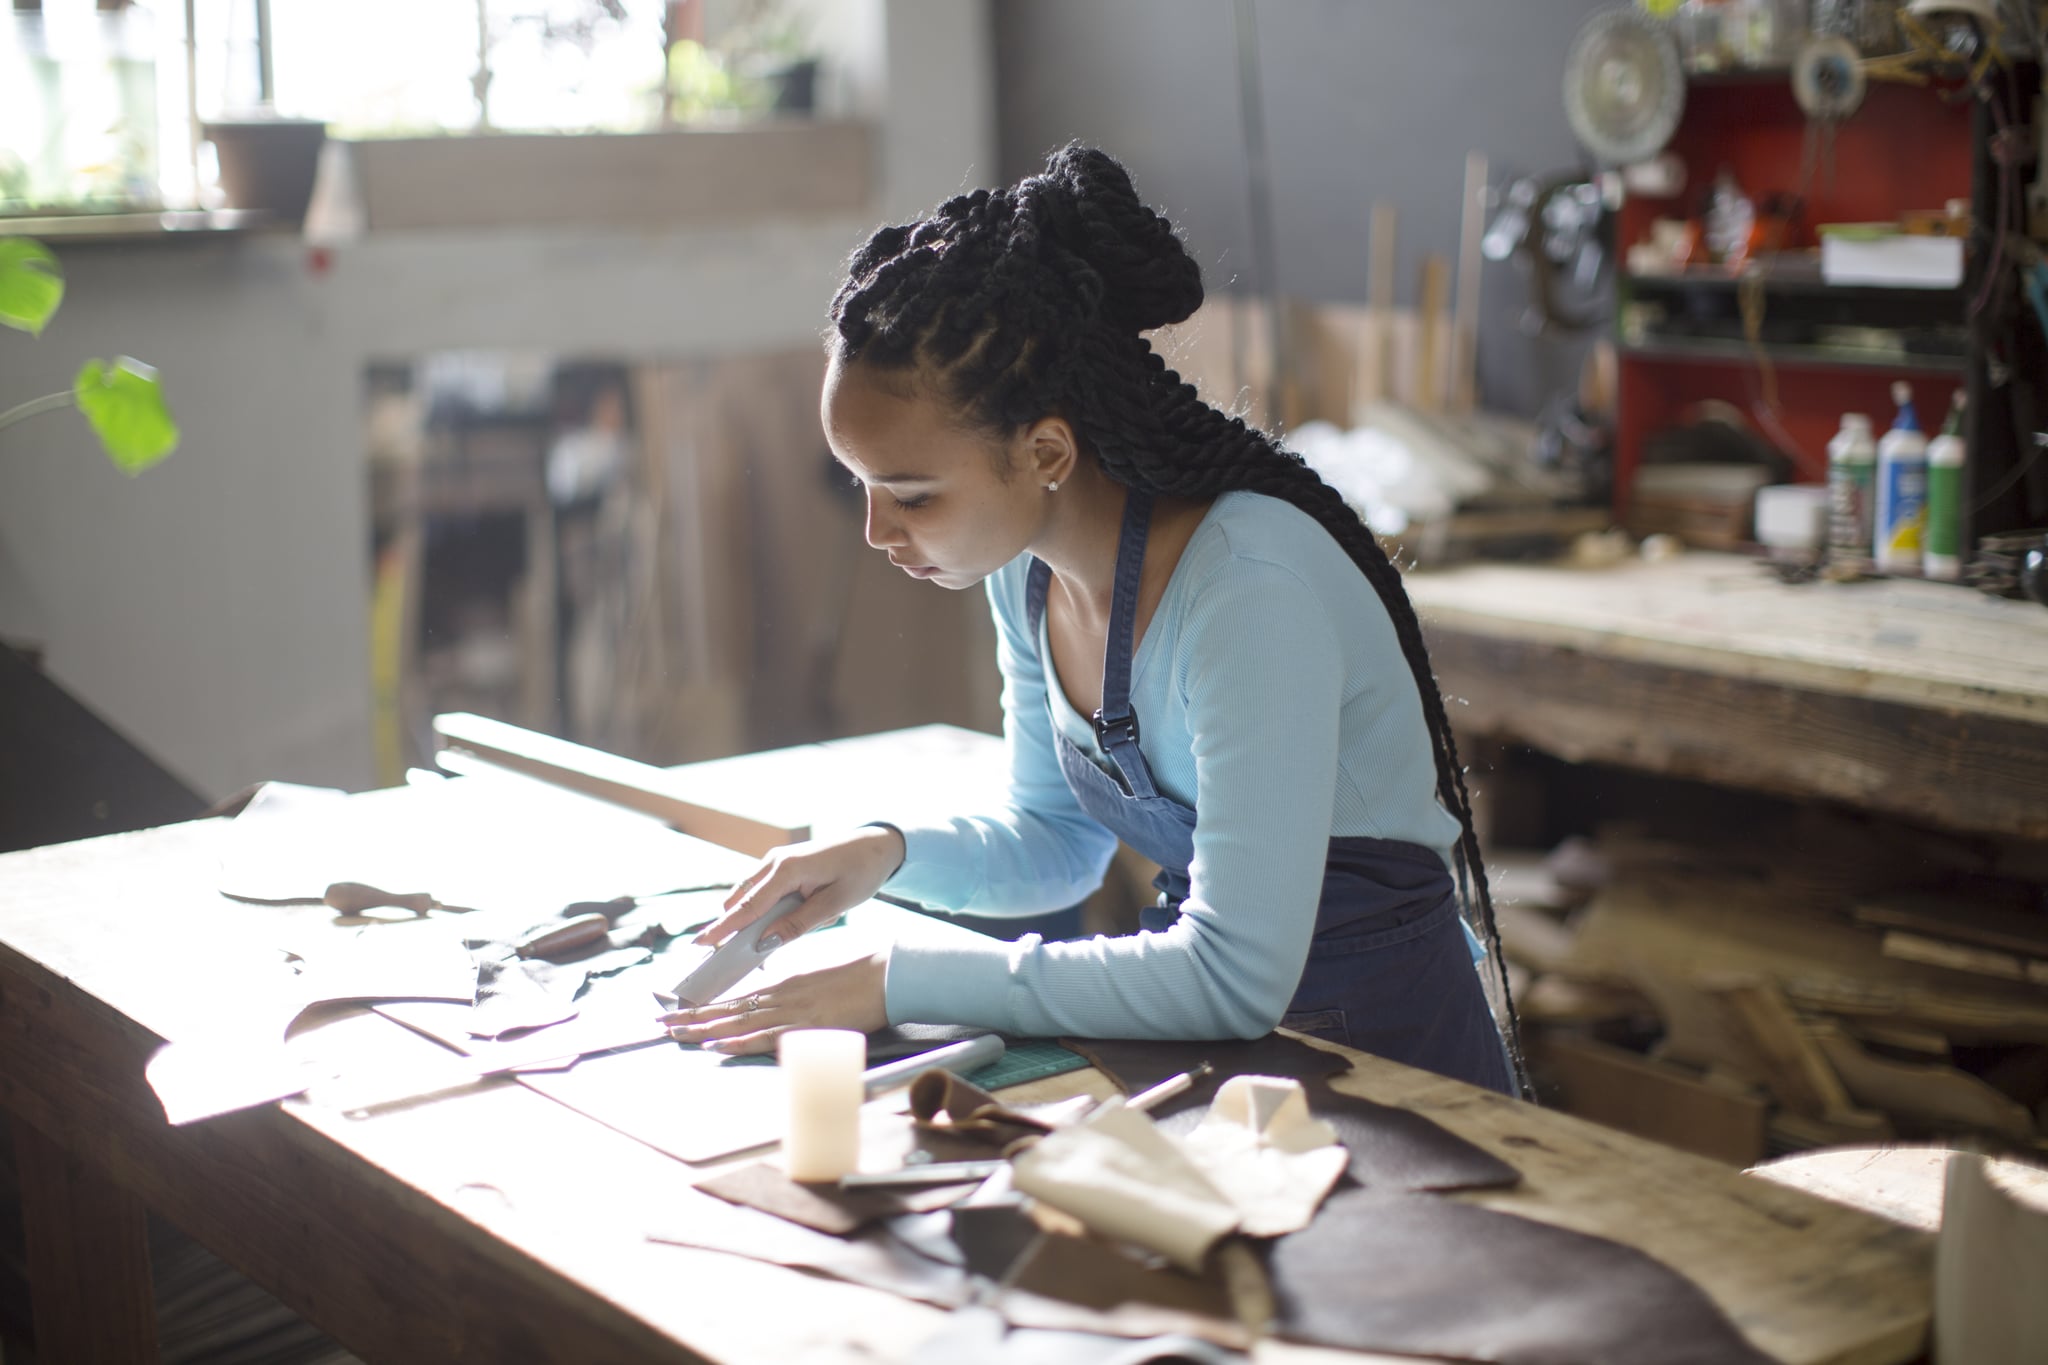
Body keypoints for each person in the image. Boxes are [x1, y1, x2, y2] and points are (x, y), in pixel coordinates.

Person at [660, 144, 1520, 1095]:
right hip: (1250, 1066)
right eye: (859, 485)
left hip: (1402, 1073)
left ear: (1046, 451)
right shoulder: (1027, 579)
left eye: (910, 493)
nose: (875, 530)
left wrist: (898, 980)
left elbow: (1228, 976)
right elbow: (1056, 846)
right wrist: (881, 855)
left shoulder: (1246, 590)